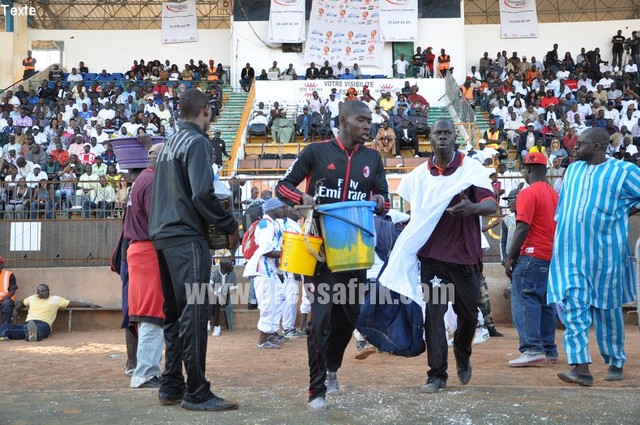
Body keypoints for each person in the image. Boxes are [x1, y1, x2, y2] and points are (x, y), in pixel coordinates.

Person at [275, 100, 389, 411]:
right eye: (361, 120)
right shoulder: (316, 152)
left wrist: (380, 201)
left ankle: (332, 367)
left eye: (369, 120)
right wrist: (302, 197)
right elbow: (282, 187)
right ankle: (317, 390)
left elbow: (385, 198)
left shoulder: (372, 158)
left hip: (355, 253)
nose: (367, 125)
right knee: (319, 321)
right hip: (319, 253)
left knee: (347, 321)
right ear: (342, 121)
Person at [379, 119, 498, 394]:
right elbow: (420, 211)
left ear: (455, 138)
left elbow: (491, 204)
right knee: (434, 315)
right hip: (433, 258)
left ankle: (462, 353)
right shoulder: (419, 175)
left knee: (469, 315)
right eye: (437, 133)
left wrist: (473, 208)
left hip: (465, 257)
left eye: (447, 133)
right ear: (429, 139)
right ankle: (436, 374)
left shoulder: (471, 169)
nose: (442, 137)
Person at [149, 89, 240, 411]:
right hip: (187, 236)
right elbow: (202, 194)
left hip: (162, 236)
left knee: (174, 314)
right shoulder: (198, 142)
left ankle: (171, 385)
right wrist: (229, 225)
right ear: (205, 110)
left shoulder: (169, 144)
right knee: (196, 312)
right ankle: (197, 391)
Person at [549, 127, 640, 386]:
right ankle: (581, 367)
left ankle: (615, 360)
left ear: (599, 146)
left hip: (606, 256)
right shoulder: (573, 170)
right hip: (570, 253)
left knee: (607, 311)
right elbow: (564, 208)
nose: (575, 147)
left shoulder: (623, 171)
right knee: (574, 308)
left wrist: (625, 210)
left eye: (581, 144)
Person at [504, 152, 558, 367]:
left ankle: (532, 349)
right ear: (545, 171)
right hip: (550, 256)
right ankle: (548, 350)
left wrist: (511, 257)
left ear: (527, 170)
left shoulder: (527, 193)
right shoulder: (554, 194)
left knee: (525, 300)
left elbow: (523, 227)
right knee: (546, 304)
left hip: (531, 256)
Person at [124, 143, 165, 390]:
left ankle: (149, 370)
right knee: (152, 315)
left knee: (151, 314)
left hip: (139, 252)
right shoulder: (152, 182)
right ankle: (145, 373)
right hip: (148, 251)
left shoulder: (142, 179)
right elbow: (157, 222)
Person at [243, 197, 286, 349]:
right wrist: (287, 254)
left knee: (277, 301)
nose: (283, 210)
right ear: (272, 209)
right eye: (281, 208)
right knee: (267, 305)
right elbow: (266, 251)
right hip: (262, 271)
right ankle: (262, 341)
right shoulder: (266, 225)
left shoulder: (272, 224)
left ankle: (270, 334)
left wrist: (279, 269)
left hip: (270, 271)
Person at [0, 284, 100, 342]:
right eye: (43, 291)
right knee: (4, 327)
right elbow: (21, 303)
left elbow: (72, 303)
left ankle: (26, 334)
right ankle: (27, 334)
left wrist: (89, 304)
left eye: (47, 290)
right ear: (37, 293)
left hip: (44, 324)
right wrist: (15, 310)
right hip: (29, 323)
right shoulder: (32, 298)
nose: (46, 292)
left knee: (39, 329)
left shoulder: (56, 299)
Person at [208, 258, 236, 337]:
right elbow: (210, 285)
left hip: (226, 296)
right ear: (222, 266)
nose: (231, 267)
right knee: (214, 300)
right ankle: (217, 326)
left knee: (214, 300)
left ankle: (209, 321)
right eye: (228, 266)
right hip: (214, 295)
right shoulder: (215, 272)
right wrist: (215, 292)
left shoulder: (232, 274)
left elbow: (233, 289)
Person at [0, 257, 17, 325]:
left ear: (2, 265)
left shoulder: (9, 274)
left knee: (6, 304)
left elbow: (12, 291)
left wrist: (3, 299)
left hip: (6, 299)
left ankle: (6, 325)